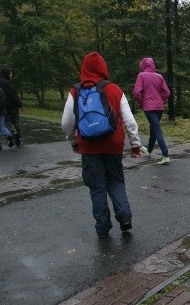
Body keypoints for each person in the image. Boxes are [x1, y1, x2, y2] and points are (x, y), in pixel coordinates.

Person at [61, 52, 143, 239]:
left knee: (97, 187)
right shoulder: (114, 89)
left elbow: (66, 123)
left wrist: (74, 142)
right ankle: (125, 218)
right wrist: (135, 144)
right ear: (104, 68)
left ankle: (102, 227)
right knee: (115, 181)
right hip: (113, 145)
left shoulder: (76, 91)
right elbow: (130, 121)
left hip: (89, 147)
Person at [133, 57, 172, 165]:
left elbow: (137, 93)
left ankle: (165, 155)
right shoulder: (159, 76)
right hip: (159, 107)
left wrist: (143, 102)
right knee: (153, 128)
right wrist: (161, 100)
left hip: (149, 107)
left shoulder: (141, 76)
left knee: (157, 129)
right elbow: (167, 93)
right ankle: (149, 150)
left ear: (143, 65)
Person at [0, 67, 23, 145]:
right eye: (10, 74)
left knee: (7, 122)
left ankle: (11, 136)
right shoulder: (8, 84)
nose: (11, 75)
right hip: (13, 106)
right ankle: (17, 137)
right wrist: (20, 104)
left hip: (3, 106)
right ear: (6, 74)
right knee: (15, 122)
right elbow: (13, 96)